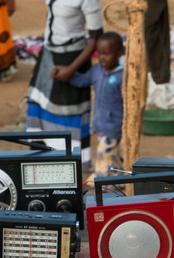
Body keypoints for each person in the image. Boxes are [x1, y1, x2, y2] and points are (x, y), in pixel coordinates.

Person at [26, 0, 103, 170]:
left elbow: (96, 37)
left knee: (68, 117)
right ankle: (40, 166)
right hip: (48, 56)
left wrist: (71, 70)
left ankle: (67, 171)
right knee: (36, 108)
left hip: (72, 60)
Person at [68, 33, 124, 179]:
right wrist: (67, 74)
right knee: (113, 154)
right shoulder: (96, 70)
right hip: (100, 123)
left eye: (106, 54)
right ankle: (118, 179)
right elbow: (82, 81)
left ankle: (101, 179)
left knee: (105, 152)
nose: (102, 57)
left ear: (119, 54)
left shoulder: (123, 75)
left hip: (114, 125)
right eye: (99, 53)